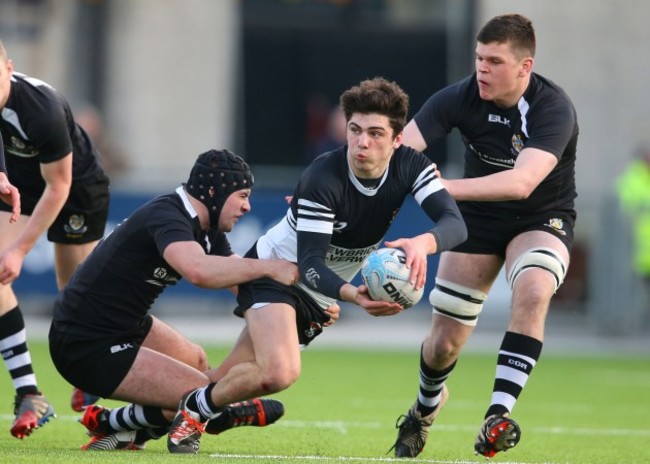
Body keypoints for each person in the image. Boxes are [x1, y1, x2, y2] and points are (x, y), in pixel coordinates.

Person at [152, 77, 467, 454]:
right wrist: (353, 295)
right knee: (279, 372)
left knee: (226, 378)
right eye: (355, 130)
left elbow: (455, 224)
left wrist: (422, 242)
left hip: (315, 295)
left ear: (398, 139)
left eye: (375, 133)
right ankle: (196, 409)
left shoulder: (412, 166)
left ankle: (125, 424)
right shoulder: (323, 177)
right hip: (276, 269)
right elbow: (311, 263)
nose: (362, 142)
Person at [389, 13, 578, 459]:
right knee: (442, 345)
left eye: (494, 61)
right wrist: (326, 191)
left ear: (524, 67)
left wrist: (440, 187)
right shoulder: (459, 96)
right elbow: (398, 153)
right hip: (477, 219)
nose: (482, 70)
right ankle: (424, 410)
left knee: (534, 289)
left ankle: (497, 415)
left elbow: (520, 183)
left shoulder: (553, 108)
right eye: (479, 58)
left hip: (541, 216)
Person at [49, 149, 306, 450]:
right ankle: (123, 422)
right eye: (243, 195)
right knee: (203, 394)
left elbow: (242, 284)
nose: (247, 207)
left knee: (197, 364)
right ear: (214, 191)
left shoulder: (206, 229)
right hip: (83, 341)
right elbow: (199, 271)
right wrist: (272, 267)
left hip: (124, 326)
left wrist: (301, 307)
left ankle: (118, 426)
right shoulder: (168, 214)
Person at [0, 39, 112, 438]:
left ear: (9, 68)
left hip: (77, 189)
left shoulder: (40, 110)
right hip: (23, 184)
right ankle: (30, 392)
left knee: (76, 304)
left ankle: (99, 377)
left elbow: (59, 186)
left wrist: (20, 249)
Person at [617, 145, 650, 319]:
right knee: (633, 296)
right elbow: (621, 214)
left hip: (643, 254)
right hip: (637, 253)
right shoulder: (633, 180)